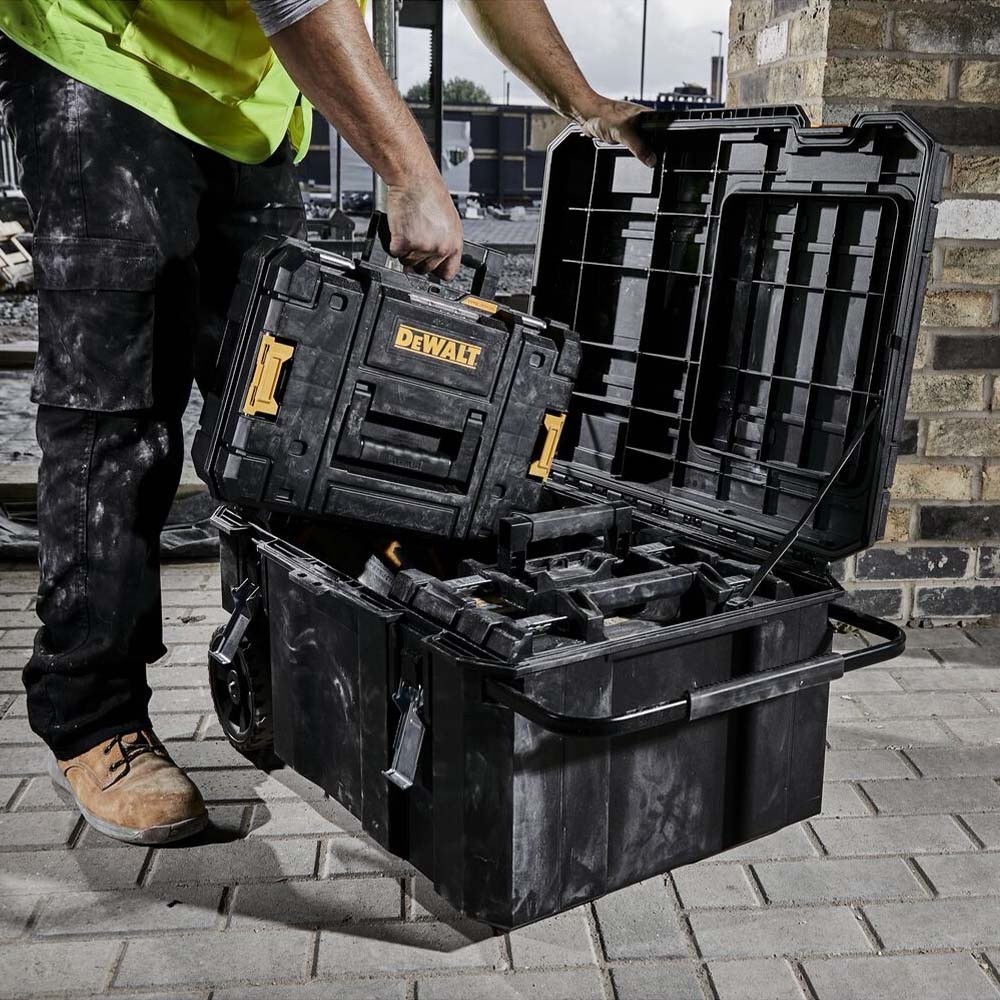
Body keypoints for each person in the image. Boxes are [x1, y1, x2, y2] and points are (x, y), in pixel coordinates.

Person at [0, 0, 652, 845]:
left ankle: (288, 663)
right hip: (103, 58)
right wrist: (410, 172)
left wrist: (583, 102)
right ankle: (92, 717)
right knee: (116, 412)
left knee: (290, 413)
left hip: (247, 102)